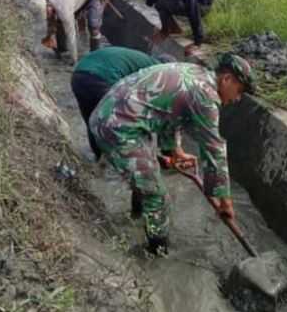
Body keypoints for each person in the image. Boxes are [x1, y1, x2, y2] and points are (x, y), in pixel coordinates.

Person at [89, 53, 255, 255]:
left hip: (115, 115)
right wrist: (224, 200)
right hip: (118, 128)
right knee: (158, 197)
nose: (237, 99)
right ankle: (156, 253)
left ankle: (136, 217)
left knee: (148, 177)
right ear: (227, 79)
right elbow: (214, 149)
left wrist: (176, 151)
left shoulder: (193, 72)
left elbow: (171, 113)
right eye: (239, 91)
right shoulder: (205, 96)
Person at [71, 47, 179, 161]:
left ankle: (99, 157)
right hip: (102, 78)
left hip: (79, 75)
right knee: (121, 121)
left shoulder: (141, 61)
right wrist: (170, 151)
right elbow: (160, 113)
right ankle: (131, 160)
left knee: (93, 117)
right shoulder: (157, 72)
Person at [29, 0, 108, 63]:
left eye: (47, 14)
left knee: (93, 25)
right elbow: (45, 23)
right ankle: (62, 50)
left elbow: (71, 35)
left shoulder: (63, 8)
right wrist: (36, 48)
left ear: (48, 7)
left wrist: (75, 60)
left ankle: (95, 57)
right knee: (58, 22)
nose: (47, 16)